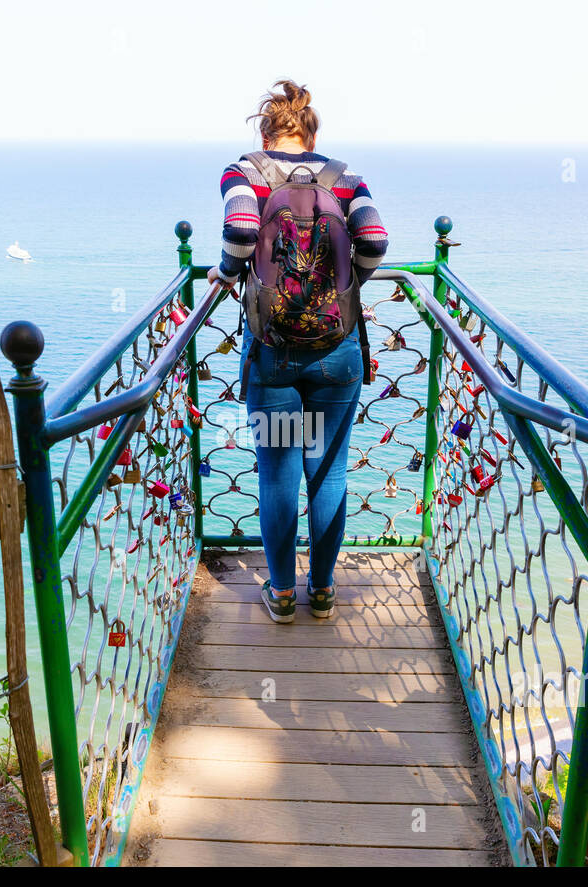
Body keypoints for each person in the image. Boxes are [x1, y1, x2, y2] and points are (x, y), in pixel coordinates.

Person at [208, 80, 389, 623]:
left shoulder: (245, 172)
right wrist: (349, 285)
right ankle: (325, 592)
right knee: (329, 471)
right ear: (311, 132)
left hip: (275, 355)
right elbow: (376, 240)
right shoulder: (345, 178)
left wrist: (227, 270)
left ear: (266, 131)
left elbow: (241, 228)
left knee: (279, 472)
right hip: (338, 353)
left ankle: (283, 594)